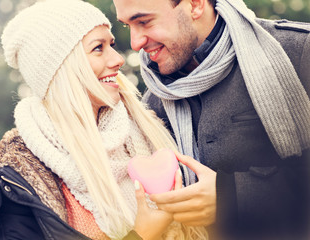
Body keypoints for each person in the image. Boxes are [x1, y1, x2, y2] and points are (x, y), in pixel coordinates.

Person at [0, 1, 209, 239]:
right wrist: (140, 235)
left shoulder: (151, 128)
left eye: (112, 45)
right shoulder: (14, 180)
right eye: (98, 48)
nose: (118, 59)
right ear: (61, 68)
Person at [113, 0, 310, 239]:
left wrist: (233, 196)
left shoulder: (299, 50)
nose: (135, 43)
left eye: (144, 22)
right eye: (127, 26)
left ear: (195, 5)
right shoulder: (152, 104)